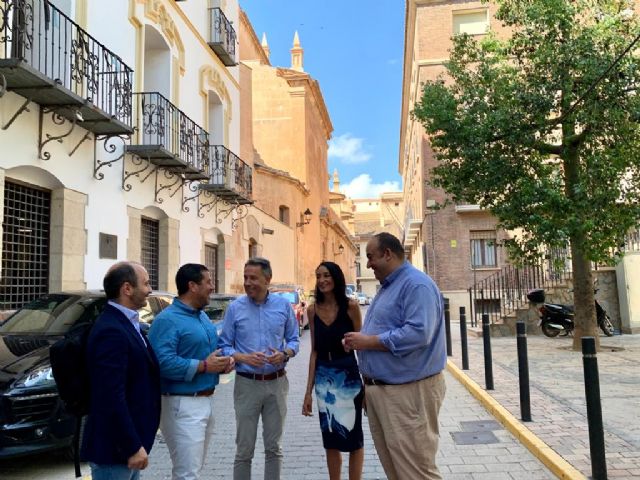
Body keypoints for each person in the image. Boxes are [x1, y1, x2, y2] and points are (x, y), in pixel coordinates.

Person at [344, 232, 447, 480]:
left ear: (387, 254)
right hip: (386, 393)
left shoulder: (416, 285)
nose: (368, 264)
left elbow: (418, 333)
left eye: (371, 257)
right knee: (398, 471)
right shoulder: (390, 286)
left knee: (416, 471)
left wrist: (368, 341)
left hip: (408, 394)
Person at [148, 263, 235, 480]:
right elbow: (161, 362)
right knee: (187, 473)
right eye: (208, 282)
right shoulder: (167, 320)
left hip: (205, 401)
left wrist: (223, 363)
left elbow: (209, 353)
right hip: (181, 404)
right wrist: (204, 366)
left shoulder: (202, 316)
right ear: (192, 286)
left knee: (192, 471)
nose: (212, 287)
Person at [219, 257, 300, 480]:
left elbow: (294, 340)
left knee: (274, 448)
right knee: (244, 450)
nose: (247, 283)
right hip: (247, 384)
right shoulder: (235, 308)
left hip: (277, 384)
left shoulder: (283, 306)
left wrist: (284, 353)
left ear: (267, 279)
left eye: (253, 278)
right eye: (245, 277)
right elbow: (223, 345)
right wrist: (241, 357)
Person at [81, 261, 161, 480]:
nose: (150, 289)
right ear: (127, 288)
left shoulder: (127, 322)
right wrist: (131, 445)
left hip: (126, 448)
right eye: (146, 283)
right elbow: (109, 395)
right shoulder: (111, 330)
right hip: (115, 450)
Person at [302, 261, 364, 480]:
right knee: (330, 439)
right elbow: (314, 351)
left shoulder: (351, 307)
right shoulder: (312, 310)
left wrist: (367, 383)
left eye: (326, 275)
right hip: (324, 379)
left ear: (336, 277)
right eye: (318, 276)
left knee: (354, 438)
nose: (322, 280)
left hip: (349, 377)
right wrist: (308, 392)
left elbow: (362, 347)